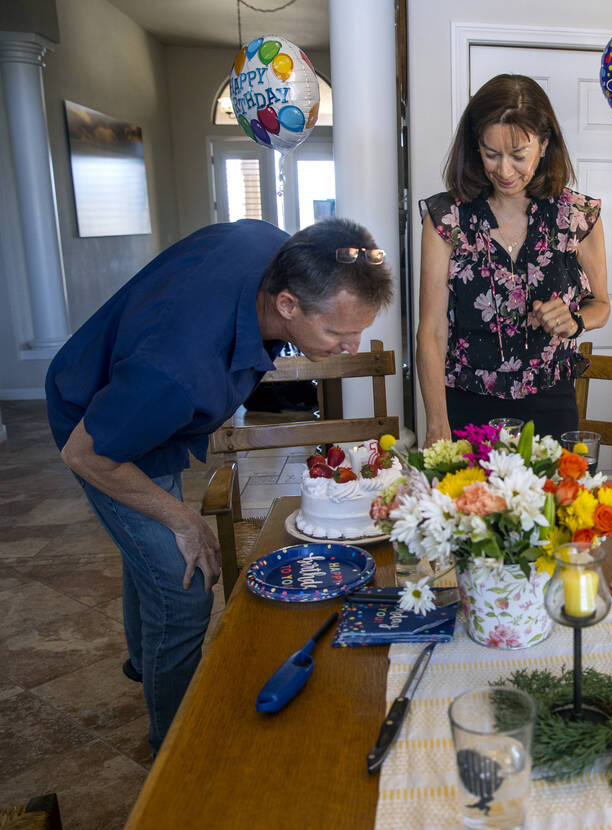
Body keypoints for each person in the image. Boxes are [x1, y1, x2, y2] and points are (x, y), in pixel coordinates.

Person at [45, 217, 393, 752]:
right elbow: (85, 453)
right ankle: (175, 751)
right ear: (286, 305)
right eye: (336, 334)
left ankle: (145, 663)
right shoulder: (178, 369)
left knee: (148, 554)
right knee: (181, 589)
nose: (351, 347)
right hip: (94, 425)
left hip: (145, 398)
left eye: (359, 331)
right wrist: (183, 520)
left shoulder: (283, 250)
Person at [417, 73, 609, 446]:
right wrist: (436, 424)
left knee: (555, 505)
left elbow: (601, 305)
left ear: (544, 144)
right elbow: (432, 330)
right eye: (492, 155)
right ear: (476, 147)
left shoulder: (578, 216)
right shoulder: (446, 219)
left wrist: (574, 322)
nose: (505, 171)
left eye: (518, 156)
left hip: (551, 404)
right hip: (466, 404)